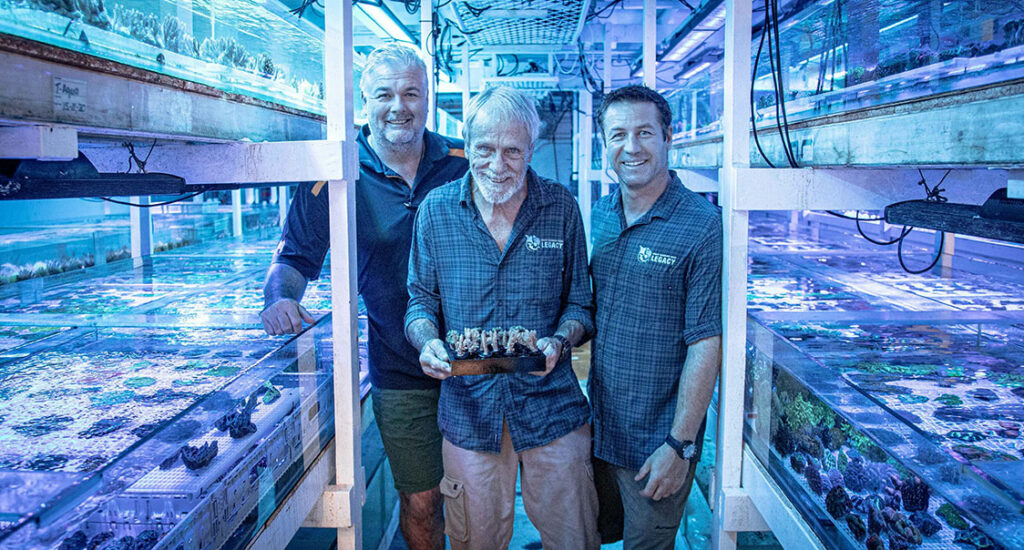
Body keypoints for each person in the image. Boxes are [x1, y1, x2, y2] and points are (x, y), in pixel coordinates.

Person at [261, 44, 467, 550]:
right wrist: (278, 300)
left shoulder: (463, 162)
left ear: (427, 99)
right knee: (422, 502)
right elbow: (291, 261)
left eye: (411, 93)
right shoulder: (335, 172)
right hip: (399, 368)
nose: (399, 106)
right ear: (364, 103)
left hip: (473, 364)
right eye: (385, 95)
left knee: (476, 499)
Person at [404, 86, 600, 550]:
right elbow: (419, 303)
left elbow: (580, 305)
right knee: (476, 541)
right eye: (485, 149)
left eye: (512, 151)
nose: (497, 164)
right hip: (470, 411)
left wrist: (560, 340)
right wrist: (427, 341)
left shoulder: (561, 209)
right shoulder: (436, 212)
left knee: (576, 536)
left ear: (531, 149)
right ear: (467, 143)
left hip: (552, 406)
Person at [589, 85, 723, 549]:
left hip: (656, 441)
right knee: (595, 534)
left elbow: (707, 341)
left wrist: (680, 446)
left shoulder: (701, 226)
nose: (631, 147)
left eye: (645, 132)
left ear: (669, 137)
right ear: (603, 144)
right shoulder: (602, 214)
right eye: (618, 134)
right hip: (600, 429)